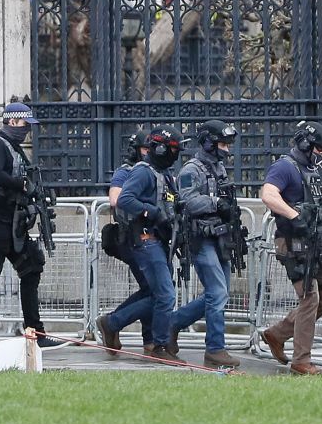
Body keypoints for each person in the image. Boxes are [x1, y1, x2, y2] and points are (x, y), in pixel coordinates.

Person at [0, 103, 67, 354]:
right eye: (24, 126)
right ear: (12, 122)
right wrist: (21, 185)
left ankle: (35, 332)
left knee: (31, 271)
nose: (27, 131)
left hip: (14, 224)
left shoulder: (15, 149)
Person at [97, 126, 184, 364]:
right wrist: (152, 213)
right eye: (173, 150)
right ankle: (158, 345)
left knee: (158, 294)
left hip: (159, 240)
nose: (175, 155)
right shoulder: (143, 172)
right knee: (165, 295)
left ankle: (113, 323)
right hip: (146, 240)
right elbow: (124, 199)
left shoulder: (164, 174)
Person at [257, 121, 322, 376]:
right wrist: (293, 216)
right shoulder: (285, 167)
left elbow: (317, 205)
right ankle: (301, 361)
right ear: (305, 143)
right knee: (310, 298)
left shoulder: (312, 171)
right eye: (319, 148)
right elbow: (268, 195)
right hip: (294, 243)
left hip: (316, 242)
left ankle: (277, 334)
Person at [170, 120, 243, 368]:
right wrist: (215, 203)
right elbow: (187, 202)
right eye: (222, 144)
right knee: (218, 293)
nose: (226, 149)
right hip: (200, 238)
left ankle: (172, 323)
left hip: (220, 237)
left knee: (217, 293)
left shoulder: (219, 168)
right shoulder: (192, 170)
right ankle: (214, 349)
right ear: (209, 143)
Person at [99, 130, 153, 355]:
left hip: (152, 238)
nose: (150, 153)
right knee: (155, 289)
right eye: (146, 149)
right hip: (132, 237)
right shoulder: (127, 171)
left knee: (151, 288)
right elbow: (116, 198)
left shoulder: (156, 171)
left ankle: (146, 339)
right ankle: (113, 323)